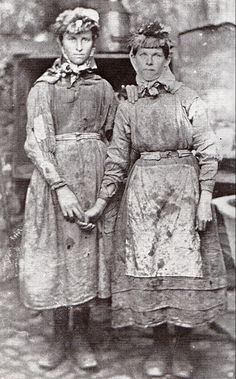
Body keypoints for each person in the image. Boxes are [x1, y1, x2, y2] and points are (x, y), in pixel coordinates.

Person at [85, 21, 227, 378]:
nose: (149, 62)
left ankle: (182, 348)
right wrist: (103, 201)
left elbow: (208, 149)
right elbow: (118, 157)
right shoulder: (128, 106)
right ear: (133, 60)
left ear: (167, 59)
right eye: (143, 56)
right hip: (144, 195)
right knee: (152, 271)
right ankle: (159, 344)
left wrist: (205, 196)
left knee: (185, 269)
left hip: (184, 190)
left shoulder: (189, 98)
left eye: (156, 55)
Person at [20, 7, 119, 370]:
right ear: (60, 42)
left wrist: (106, 186)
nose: (79, 47)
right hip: (55, 180)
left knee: (87, 258)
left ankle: (81, 335)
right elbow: (35, 143)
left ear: (94, 42)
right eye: (72, 39)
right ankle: (59, 335)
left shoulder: (103, 88)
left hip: (93, 177)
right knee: (59, 258)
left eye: (85, 39)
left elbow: (114, 136)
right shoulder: (44, 88)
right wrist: (60, 186)